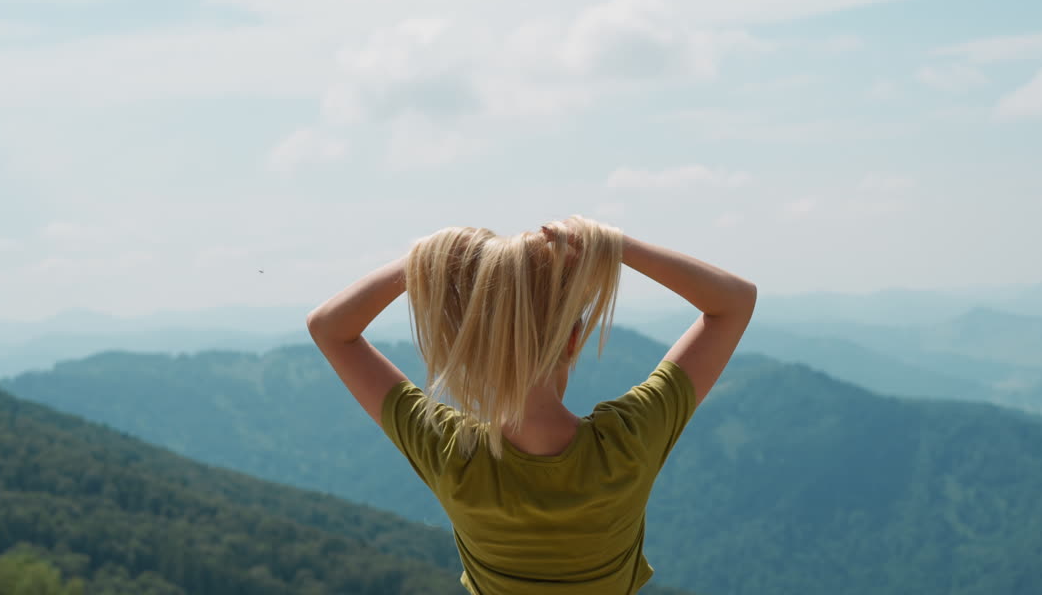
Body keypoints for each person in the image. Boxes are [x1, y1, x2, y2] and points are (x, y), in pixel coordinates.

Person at [306, 215, 757, 594]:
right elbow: (734, 303)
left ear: (474, 347)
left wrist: (427, 261)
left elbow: (329, 328)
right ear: (574, 340)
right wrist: (613, 245)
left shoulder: (450, 453)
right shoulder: (628, 443)